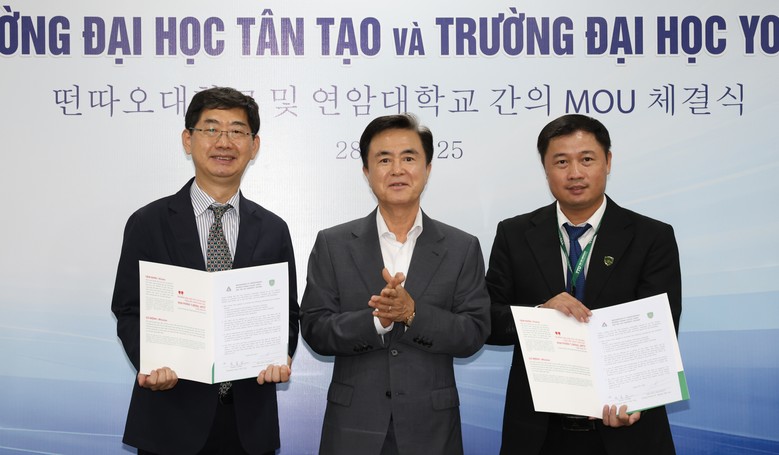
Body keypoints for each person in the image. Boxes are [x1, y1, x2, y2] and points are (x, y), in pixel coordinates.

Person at [111, 87, 299, 455]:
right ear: (188, 139)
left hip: (249, 424)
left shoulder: (273, 229)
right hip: (169, 418)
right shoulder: (149, 222)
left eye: (237, 131)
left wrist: (281, 354)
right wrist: (151, 363)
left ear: (254, 145)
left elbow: (288, 315)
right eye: (211, 129)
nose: (224, 142)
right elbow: (129, 309)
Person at [486, 114, 682, 454]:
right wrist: (539, 315)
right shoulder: (514, 234)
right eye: (561, 162)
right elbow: (487, 320)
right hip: (538, 433)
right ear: (545, 168)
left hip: (625, 430)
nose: (575, 173)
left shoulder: (652, 237)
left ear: (608, 161)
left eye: (587, 159)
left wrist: (635, 399)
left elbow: (659, 331)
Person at [299, 113, 491, 455]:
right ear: (366, 171)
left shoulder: (461, 247)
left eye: (409, 158)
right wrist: (378, 321)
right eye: (384, 159)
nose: (397, 169)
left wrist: (412, 313)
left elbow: (473, 333)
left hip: (431, 431)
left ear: (427, 169)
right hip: (353, 429)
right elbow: (315, 328)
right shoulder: (333, 244)